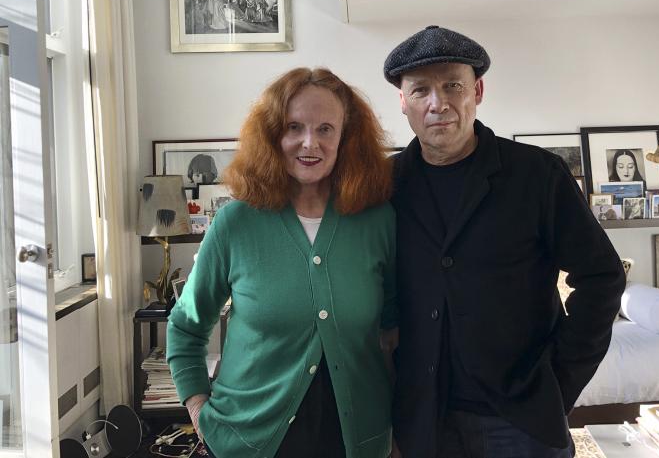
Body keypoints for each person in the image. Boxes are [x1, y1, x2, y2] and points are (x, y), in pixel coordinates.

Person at [383, 26, 626, 458]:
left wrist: (560, 379)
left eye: (452, 86)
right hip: (420, 419)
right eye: (420, 90)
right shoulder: (385, 185)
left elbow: (602, 277)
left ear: (476, 90)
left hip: (520, 419)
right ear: (404, 102)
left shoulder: (538, 175)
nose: (437, 103)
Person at [167, 68, 398, 458]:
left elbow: (393, 334)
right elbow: (186, 327)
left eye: (326, 128)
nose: (310, 143)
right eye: (295, 127)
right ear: (274, 133)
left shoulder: (377, 221)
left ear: (347, 138)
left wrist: (392, 433)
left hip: (357, 442)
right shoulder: (235, 223)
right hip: (246, 440)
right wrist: (197, 408)